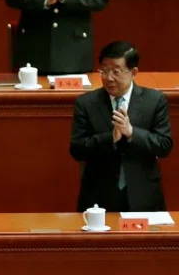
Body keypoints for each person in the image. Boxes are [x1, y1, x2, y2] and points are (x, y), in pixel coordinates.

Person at [70, 42, 173, 212]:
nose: (109, 78)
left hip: (144, 195)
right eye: (104, 70)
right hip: (98, 197)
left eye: (116, 71)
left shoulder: (154, 100)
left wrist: (132, 133)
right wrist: (110, 138)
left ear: (133, 73)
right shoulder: (86, 103)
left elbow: (164, 145)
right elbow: (77, 149)